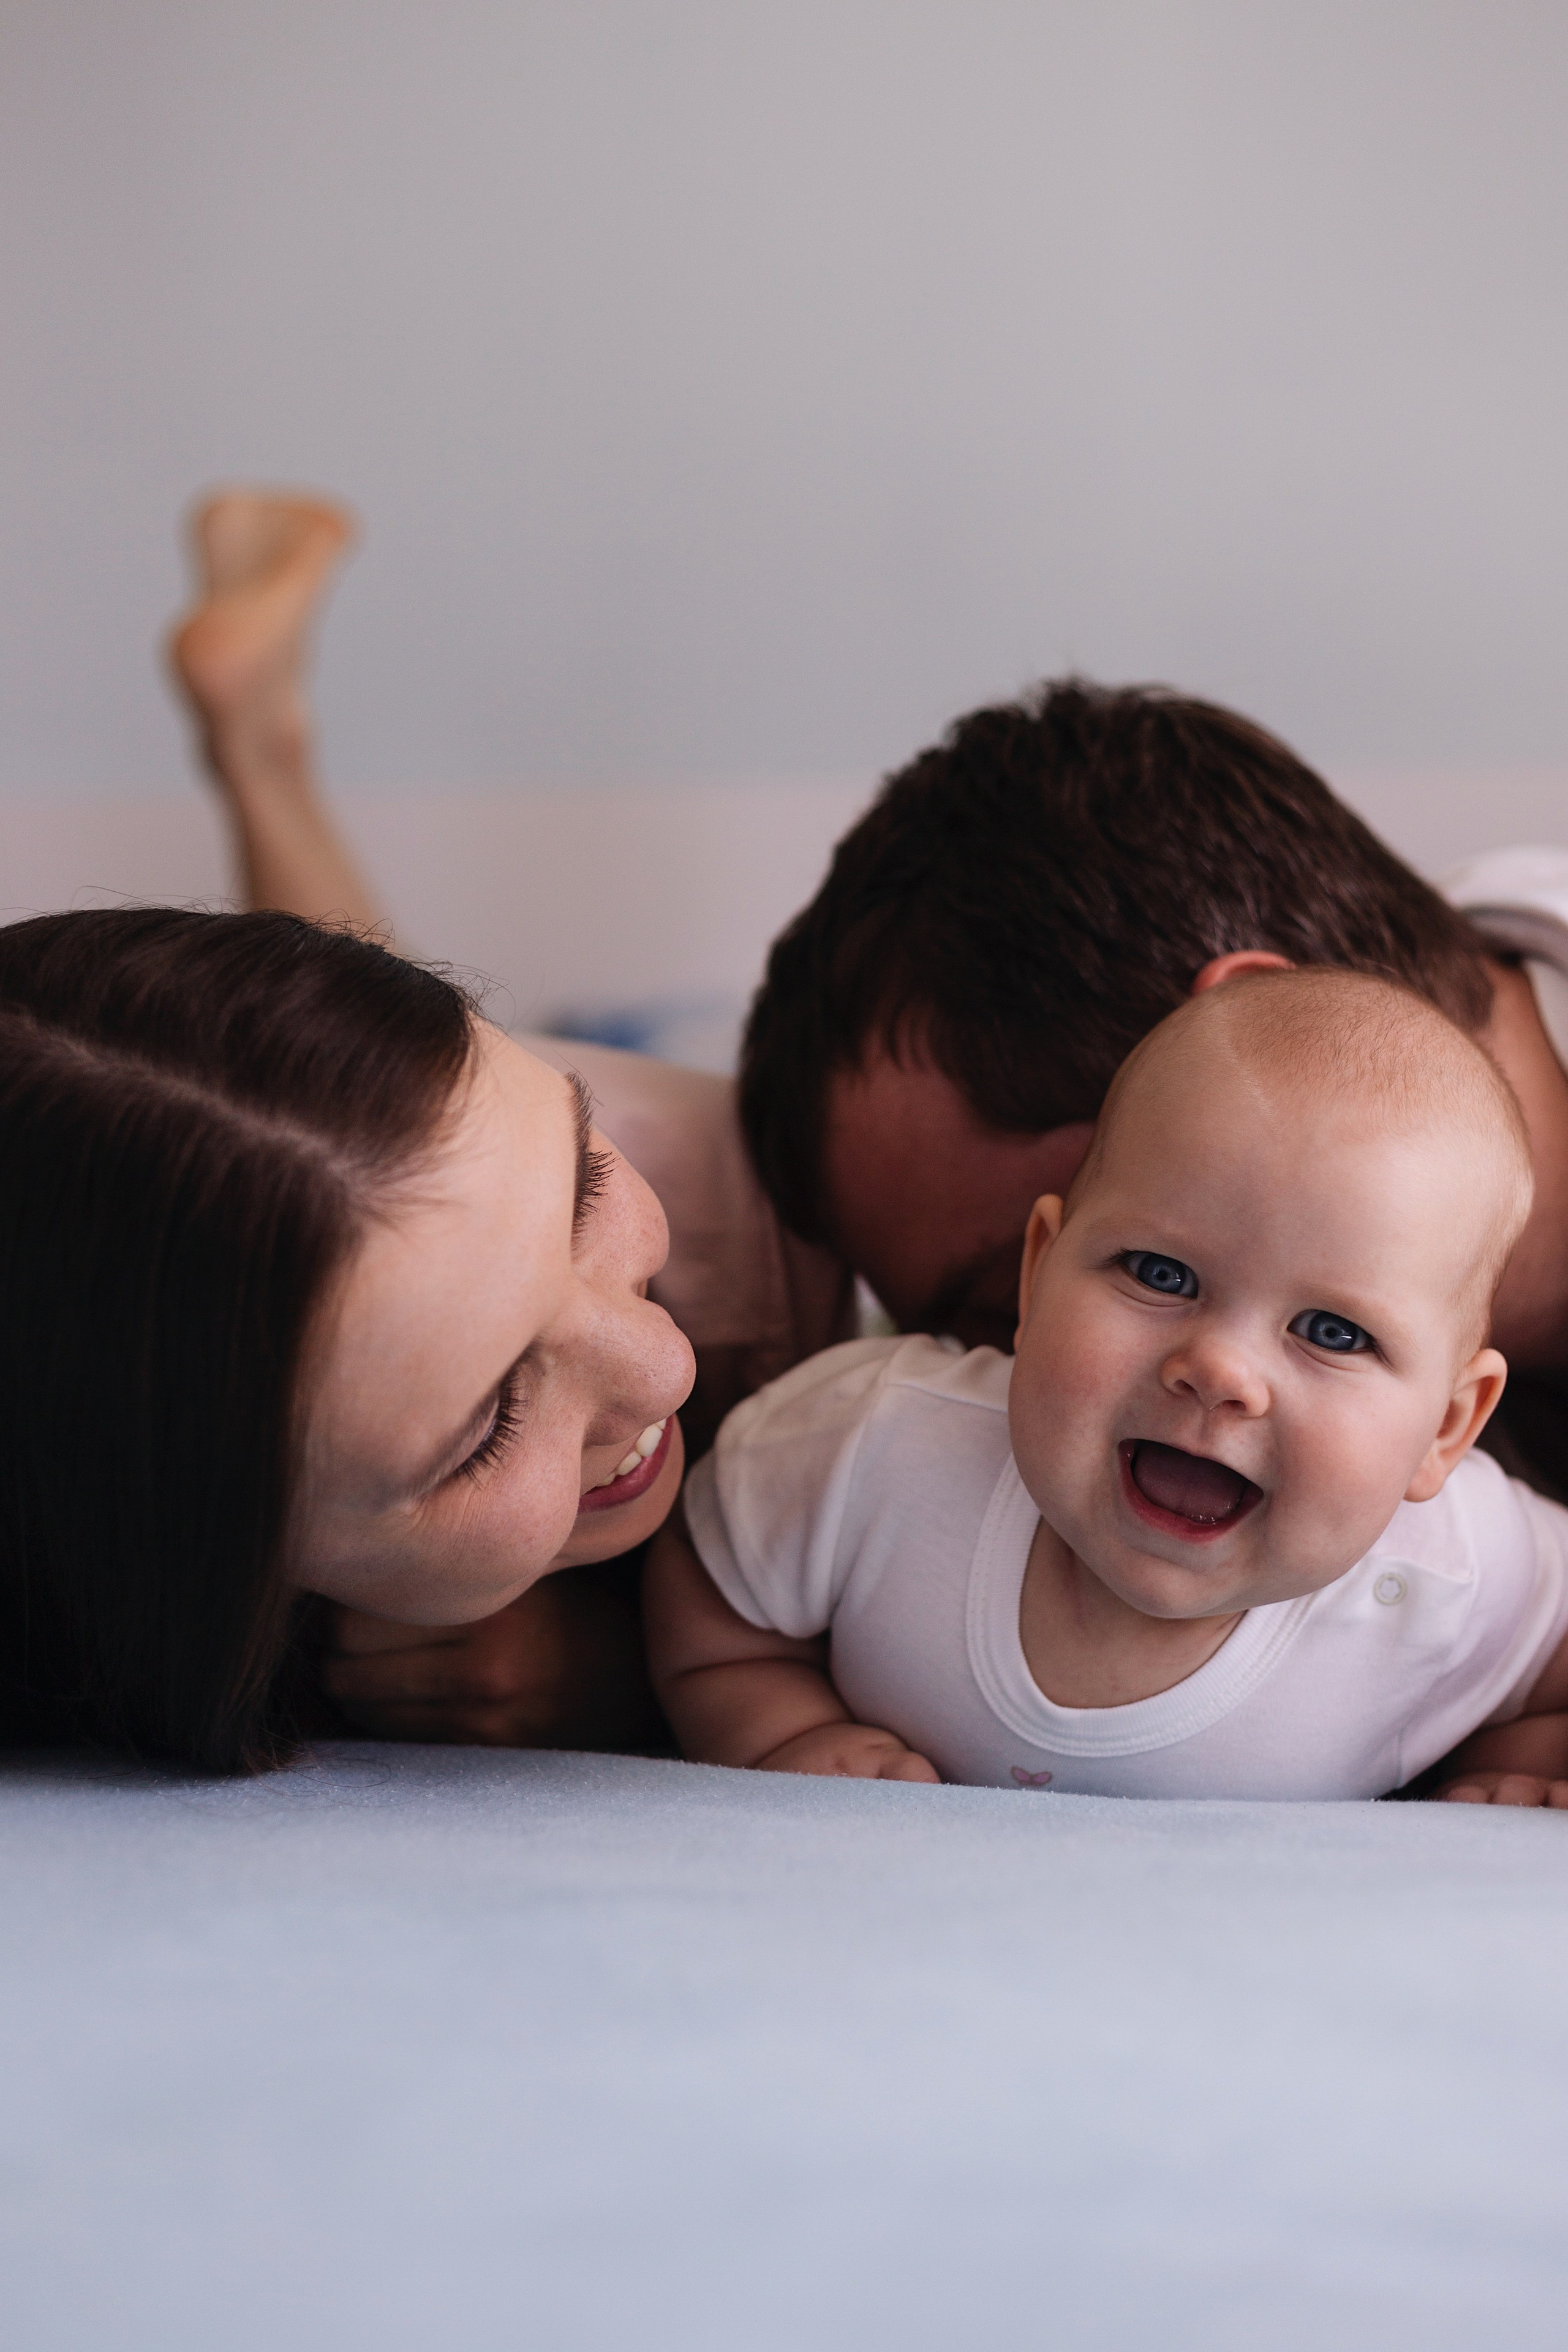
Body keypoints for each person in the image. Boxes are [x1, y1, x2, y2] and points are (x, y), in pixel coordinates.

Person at [164, 488, 1568, 1747]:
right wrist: (671, 1658)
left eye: (986, 1312)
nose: (985, 1367)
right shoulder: (871, 1333)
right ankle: (267, 756)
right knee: (397, 1180)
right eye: (1034, 1297)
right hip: (683, 1071)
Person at [645, 970, 1568, 1804]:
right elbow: (713, 1565)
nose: (1220, 1370)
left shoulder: (1450, 1570)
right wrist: (779, 1728)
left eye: (1332, 1333)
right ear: (1039, 1273)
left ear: (1448, 1428)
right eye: (1161, 1275)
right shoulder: (876, 1447)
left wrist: (1519, 1757)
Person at [0, 904, 695, 1766]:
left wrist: (666, 1671)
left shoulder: (774, 1215)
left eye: (586, 1189)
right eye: (491, 1428)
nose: (668, 1365)